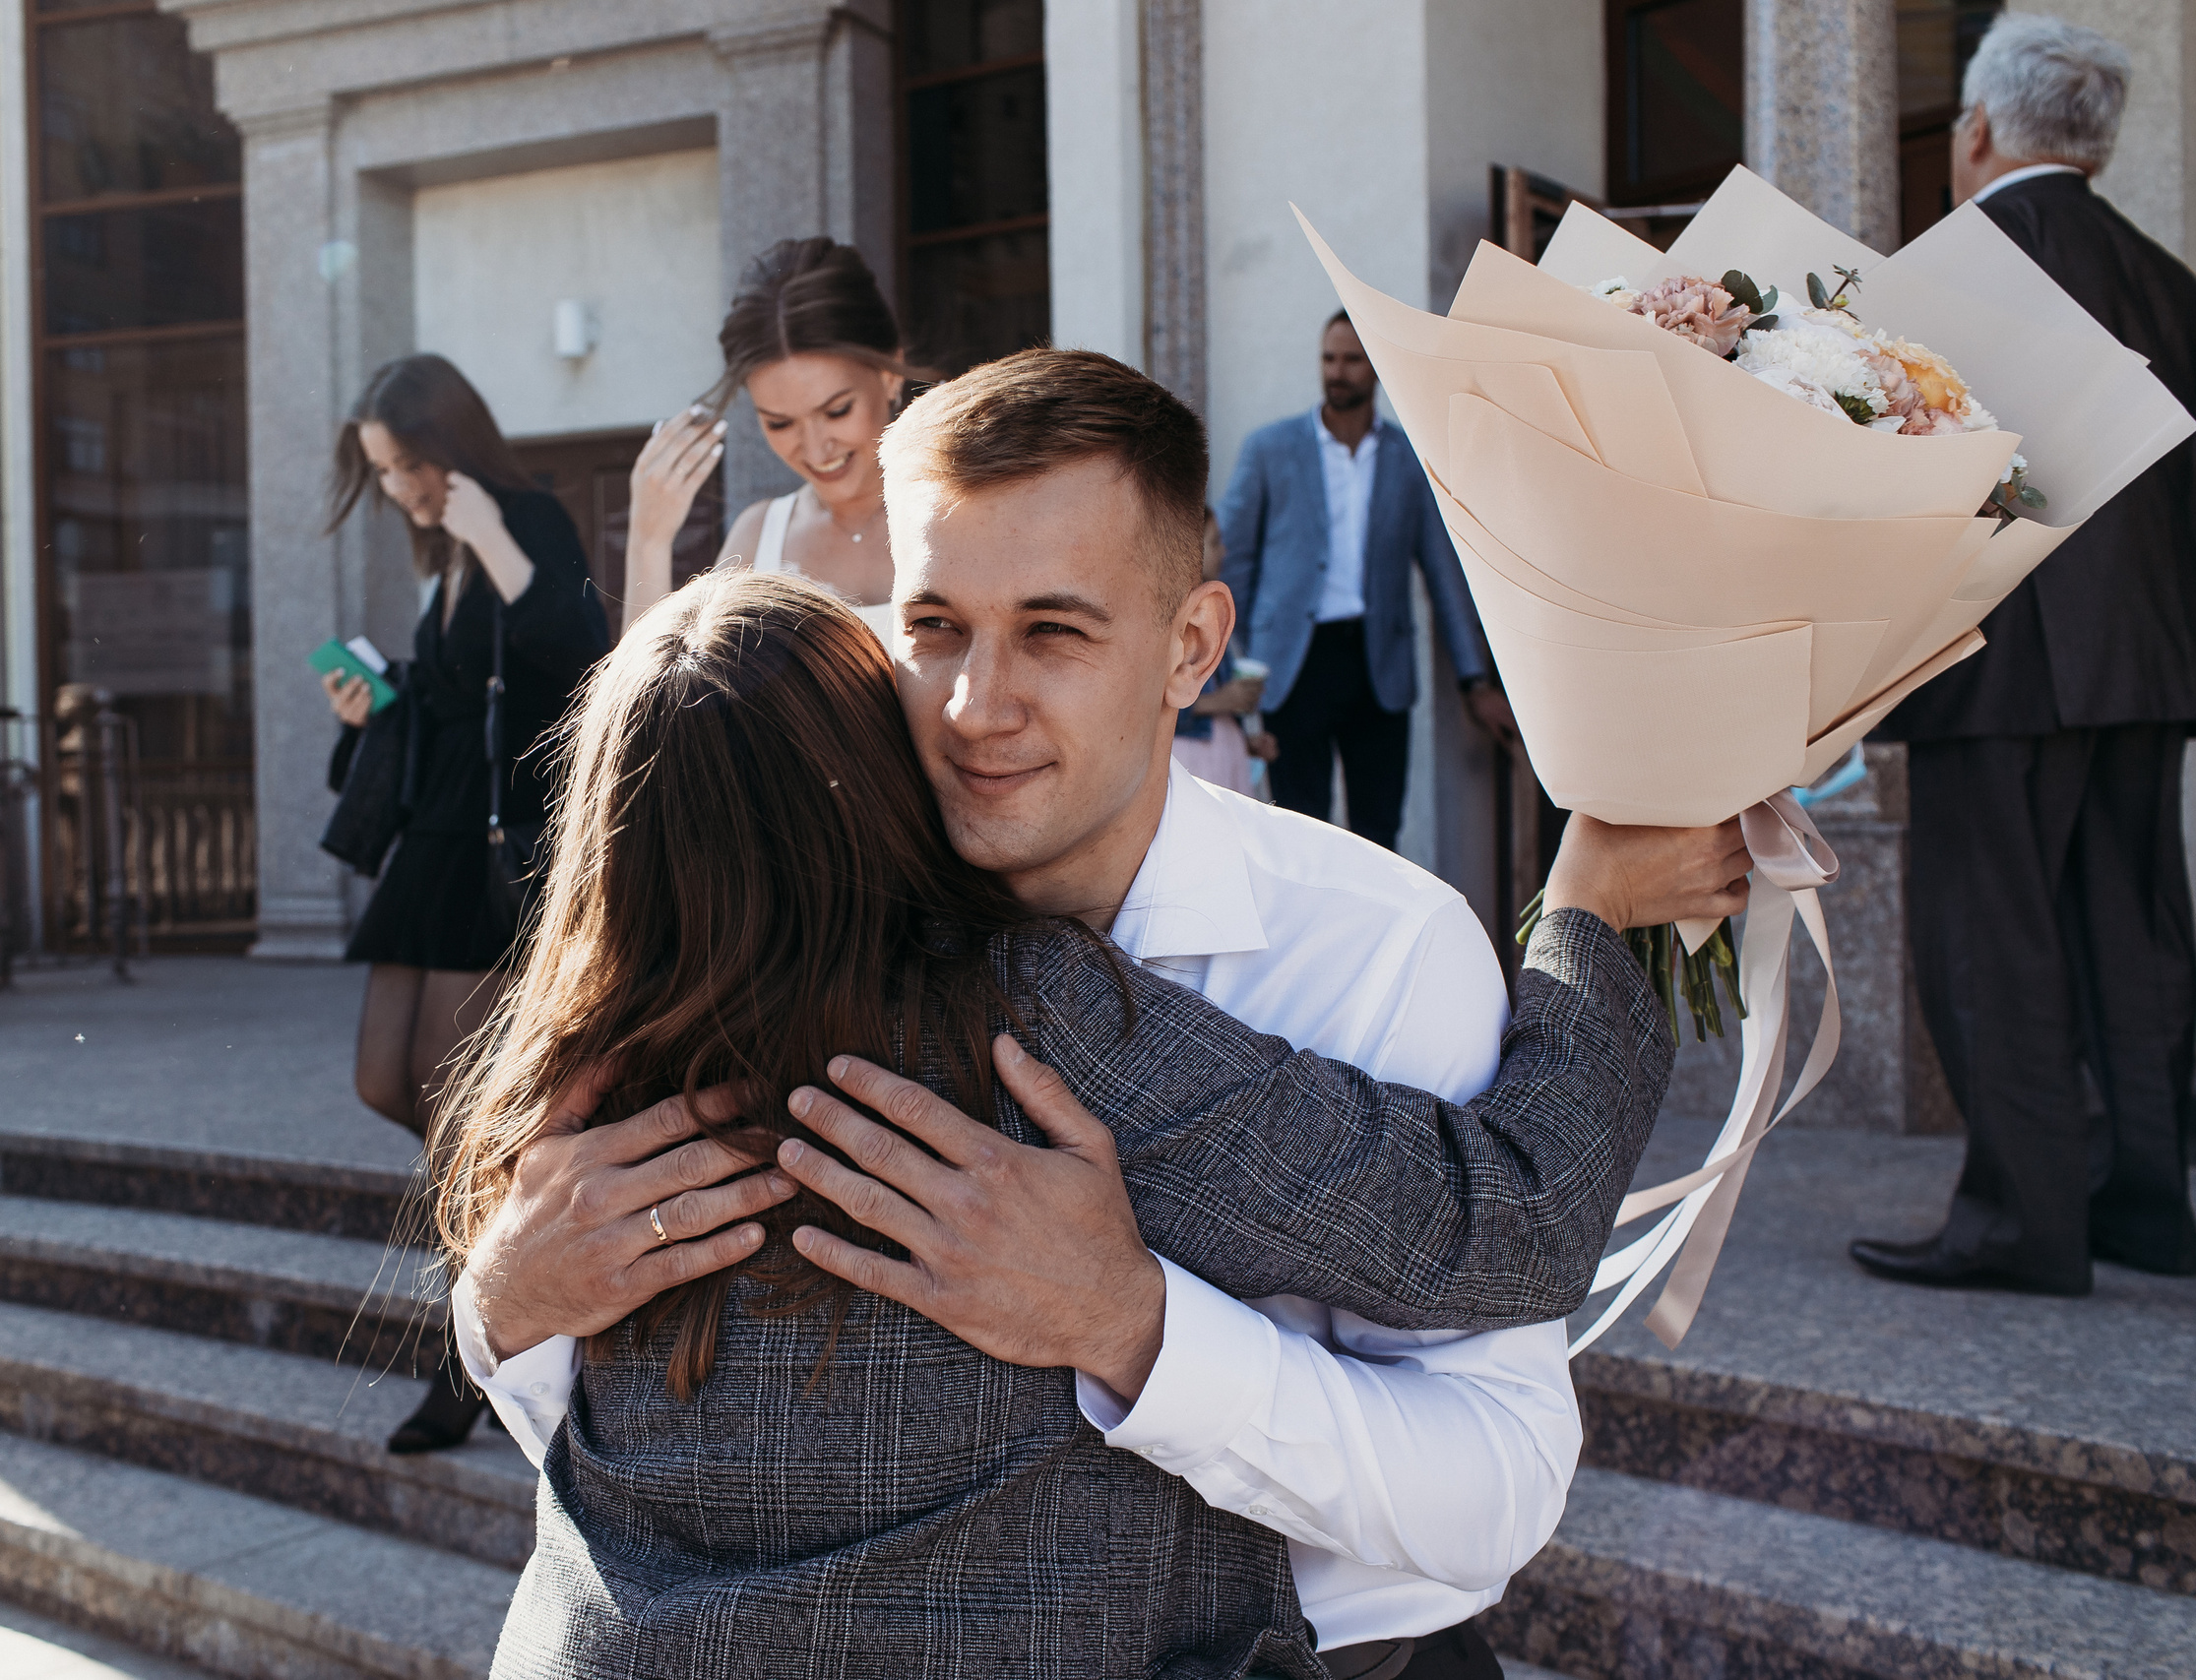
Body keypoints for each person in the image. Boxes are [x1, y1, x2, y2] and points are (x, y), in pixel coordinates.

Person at [458, 351, 1751, 1678]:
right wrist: (504, 1303)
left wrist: (1133, 1325)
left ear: (1192, 644)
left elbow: (1500, 1482)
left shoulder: (1376, 946)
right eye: (934, 625)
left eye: (1055, 631)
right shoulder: (887, 976)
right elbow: (636, 1419)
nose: (975, 704)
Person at [1858, 15, 2196, 1295]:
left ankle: (2020, 1215)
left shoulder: (1940, 273)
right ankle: (2143, 1205)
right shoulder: (2174, 282)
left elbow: (1894, 485)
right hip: (2150, 656)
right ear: (2098, 146)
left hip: (1993, 660)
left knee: (1990, 936)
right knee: (2136, 927)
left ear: (1978, 131)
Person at [320, 353, 610, 1451]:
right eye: (383, 473)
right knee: (385, 1082)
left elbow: (581, 656)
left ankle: (475, 1349)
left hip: (500, 849)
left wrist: (492, 535)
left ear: (447, 446)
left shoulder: (521, 517)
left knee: (450, 1109)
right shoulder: (438, 547)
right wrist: (371, 705)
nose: (396, 489)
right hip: (434, 843)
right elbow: (452, 701)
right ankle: (525, 1222)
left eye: (403, 467)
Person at [1219, 310, 1519, 846]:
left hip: (1377, 666)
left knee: (1379, 835)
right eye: (1328, 359)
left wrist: (1475, 682)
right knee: (1296, 828)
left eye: (1352, 360)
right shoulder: (1270, 450)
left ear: (1376, 368)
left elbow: (1444, 577)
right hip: (1294, 665)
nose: (1337, 372)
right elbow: (1230, 566)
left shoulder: (1409, 458)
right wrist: (1230, 665)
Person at [618, 237, 917, 640]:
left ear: (891, 372)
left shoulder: (963, 512)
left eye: (837, 411)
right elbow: (656, 699)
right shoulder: (757, 538)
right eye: (780, 424)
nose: (814, 449)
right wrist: (648, 542)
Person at [1172, 509, 1270, 797]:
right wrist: (1221, 701)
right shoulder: (1169, 621)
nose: (1224, 551)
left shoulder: (1210, 612)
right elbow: (1148, 704)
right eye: (1214, 543)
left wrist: (1247, 741)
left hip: (1225, 760)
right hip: (1191, 763)